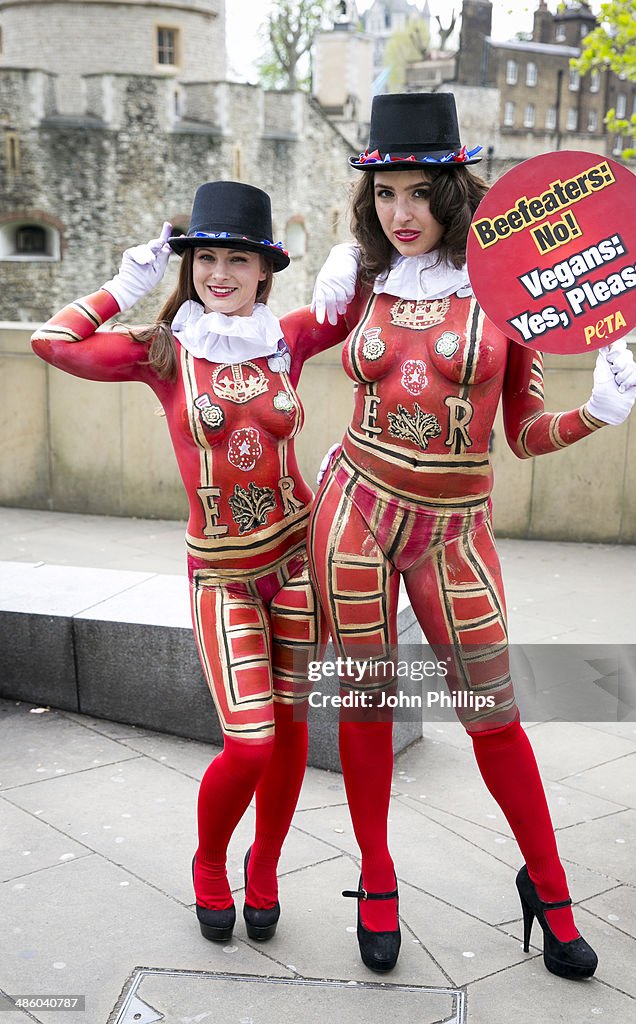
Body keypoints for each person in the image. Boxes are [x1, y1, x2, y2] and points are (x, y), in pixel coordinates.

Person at [308, 93, 636, 977]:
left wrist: (596, 415)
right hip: (355, 499)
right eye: (383, 196)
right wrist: (320, 280)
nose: (400, 214)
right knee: (369, 697)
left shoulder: (507, 291)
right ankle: (375, 880)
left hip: (454, 522)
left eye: (419, 193)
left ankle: (550, 887)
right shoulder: (367, 279)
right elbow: (256, 341)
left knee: (492, 714)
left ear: (455, 191)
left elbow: (524, 431)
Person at [31, 181, 344, 945]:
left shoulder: (288, 337)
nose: (221, 274)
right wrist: (121, 288)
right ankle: (211, 864)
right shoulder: (164, 352)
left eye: (239, 259)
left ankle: (265, 866)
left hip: (297, 561)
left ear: (265, 271)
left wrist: (349, 261)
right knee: (250, 741)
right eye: (208, 258)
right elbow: (52, 344)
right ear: (189, 266)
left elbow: (384, 299)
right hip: (223, 575)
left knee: (293, 726)